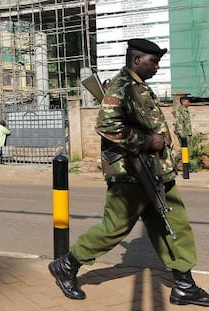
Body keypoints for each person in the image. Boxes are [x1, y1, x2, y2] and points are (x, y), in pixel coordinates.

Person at [48, 38, 209, 307]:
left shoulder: (140, 88)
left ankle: (184, 285)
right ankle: (67, 265)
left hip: (156, 172)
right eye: (153, 61)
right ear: (137, 60)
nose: (157, 67)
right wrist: (148, 142)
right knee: (115, 229)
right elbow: (106, 124)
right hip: (131, 174)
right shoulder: (121, 86)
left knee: (174, 226)